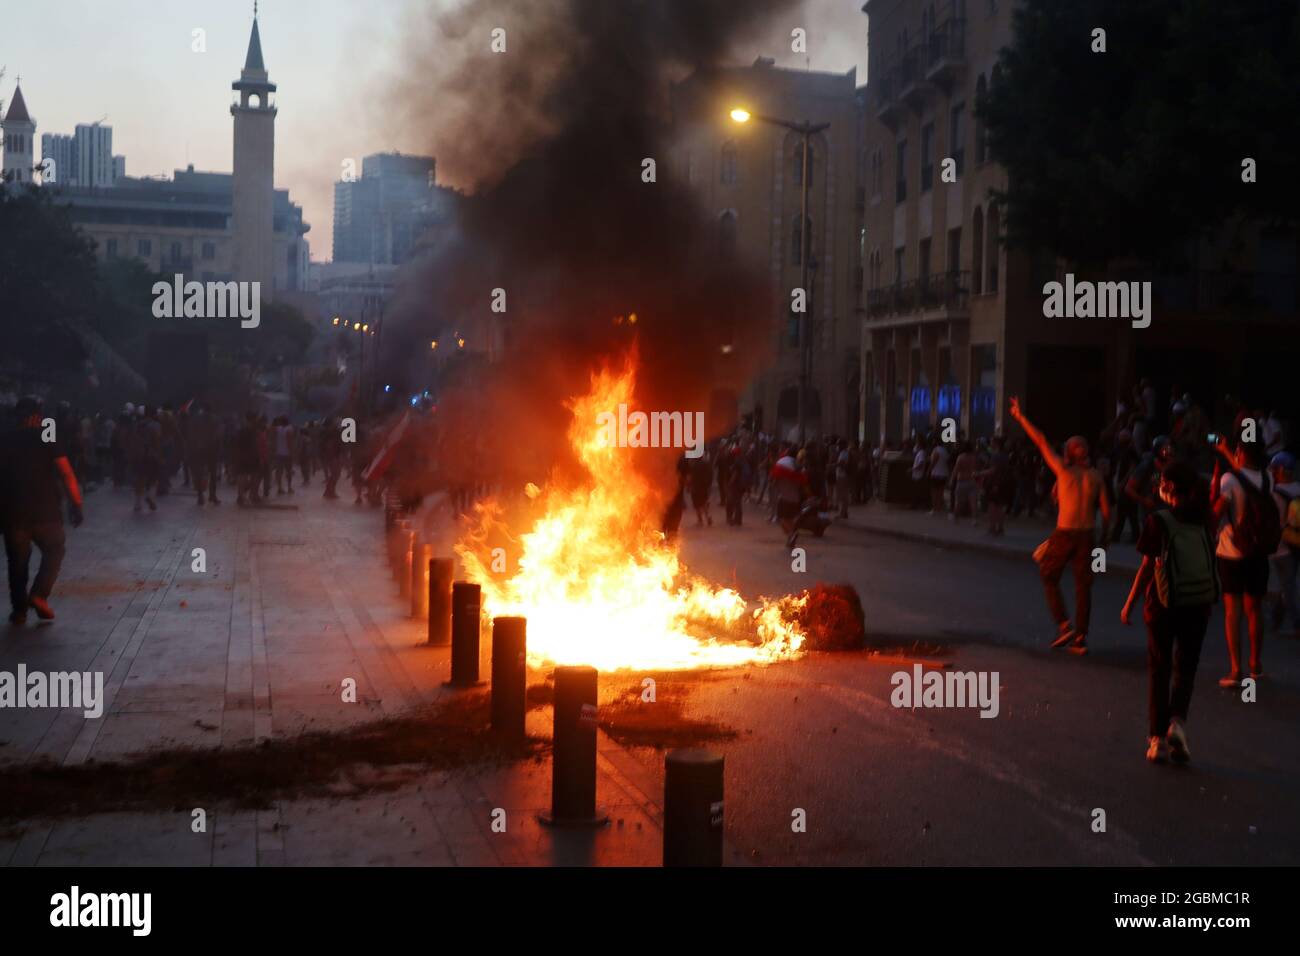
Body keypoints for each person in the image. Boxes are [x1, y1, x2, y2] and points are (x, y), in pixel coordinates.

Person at [1121, 462, 1218, 763]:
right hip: (1198, 603)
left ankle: (1157, 739)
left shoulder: (1159, 520)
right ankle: (1178, 722)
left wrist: (1130, 602)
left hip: (1163, 605)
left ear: (1170, 488)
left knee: (1160, 668)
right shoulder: (1205, 519)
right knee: (1186, 667)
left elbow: (1147, 567)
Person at [1009, 396, 1111, 654]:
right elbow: (1107, 512)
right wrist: (1105, 539)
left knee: (1048, 573)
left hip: (1065, 533)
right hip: (1087, 535)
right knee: (1084, 586)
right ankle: (1080, 638)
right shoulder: (1096, 476)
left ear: (1068, 452)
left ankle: (1064, 625)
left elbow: (1041, 440)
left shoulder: (1063, 472)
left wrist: (1020, 416)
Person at [1, 397, 84, 625]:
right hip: (45, 511)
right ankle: (39, 595)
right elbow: (66, 473)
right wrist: (76, 504)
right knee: (54, 551)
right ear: (38, 415)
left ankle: (19, 611)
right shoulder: (47, 434)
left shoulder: (6, 437)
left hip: (13, 513)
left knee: (17, 563)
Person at [1210, 434, 1272, 686]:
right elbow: (1245, 477)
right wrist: (1226, 452)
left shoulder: (1229, 479)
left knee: (1232, 611)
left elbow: (1217, 513)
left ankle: (1236, 670)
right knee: (1254, 610)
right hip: (1259, 552)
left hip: (1232, 552)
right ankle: (1255, 665)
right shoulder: (1268, 478)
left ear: (1242, 453)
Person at [1270, 452, 1300, 635]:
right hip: (1297, 542)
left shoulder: (1273, 493)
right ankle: (1277, 616)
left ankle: (1297, 624)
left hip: (1281, 546)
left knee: (1288, 585)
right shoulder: (1299, 488)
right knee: (1287, 584)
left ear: (1279, 470)